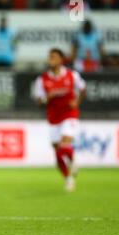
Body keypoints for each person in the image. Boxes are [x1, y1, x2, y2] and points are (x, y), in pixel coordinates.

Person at [33, 48, 86, 192]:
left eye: (54, 57)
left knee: (64, 145)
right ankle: (68, 178)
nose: (51, 59)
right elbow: (39, 101)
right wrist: (46, 98)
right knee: (58, 153)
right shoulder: (42, 79)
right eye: (50, 57)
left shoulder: (71, 75)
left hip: (69, 114)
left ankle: (73, 161)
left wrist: (77, 102)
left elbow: (83, 89)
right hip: (53, 118)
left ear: (61, 60)